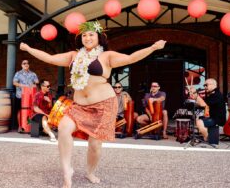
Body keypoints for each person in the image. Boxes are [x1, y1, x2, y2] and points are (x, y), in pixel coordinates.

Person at [20, 21, 166, 188]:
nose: (87, 37)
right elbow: (51, 59)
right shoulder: (74, 56)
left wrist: (153, 48)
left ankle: (90, 172)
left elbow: (131, 58)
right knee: (63, 128)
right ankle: (67, 171)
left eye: (91, 34)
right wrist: (29, 49)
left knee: (94, 145)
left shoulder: (106, 56)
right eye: (84, 35)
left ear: (99, 37)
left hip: (103, 106)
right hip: (79, 106)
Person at [13, 59, 39, 131]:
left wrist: (34, 84)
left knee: (31, 110)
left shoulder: (33, 74)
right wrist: (22, 85)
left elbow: (37, 82)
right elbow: (14, 83)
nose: (26, 64)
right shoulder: (18, 73)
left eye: (27, 63)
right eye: (24, 63)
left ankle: (29, 126)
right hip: (20, 95)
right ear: (22, 65)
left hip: (30, 96)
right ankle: (20, 126)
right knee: (20, 111)